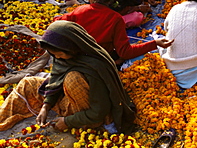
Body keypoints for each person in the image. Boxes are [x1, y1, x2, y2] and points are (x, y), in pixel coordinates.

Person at [0, 20, 136, 134]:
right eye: (55, 56)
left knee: (72, 78)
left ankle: (90, 124)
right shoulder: (66, 57)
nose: (58, 59)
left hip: (93, 113)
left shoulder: (95, 66)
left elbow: (99, 110)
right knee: (27, 83)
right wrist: (46, 106)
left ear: (72, 48)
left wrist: (67, 122)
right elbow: (55, 78)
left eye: (60, 55)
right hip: (69, 97)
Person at [55, 0, 173, 65]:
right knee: (123, 58)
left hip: (78, 58)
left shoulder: (81, 10)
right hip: (99, 61)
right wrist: (155, 43)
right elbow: (125, 52)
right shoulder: (115, 18)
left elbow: (57, 22)